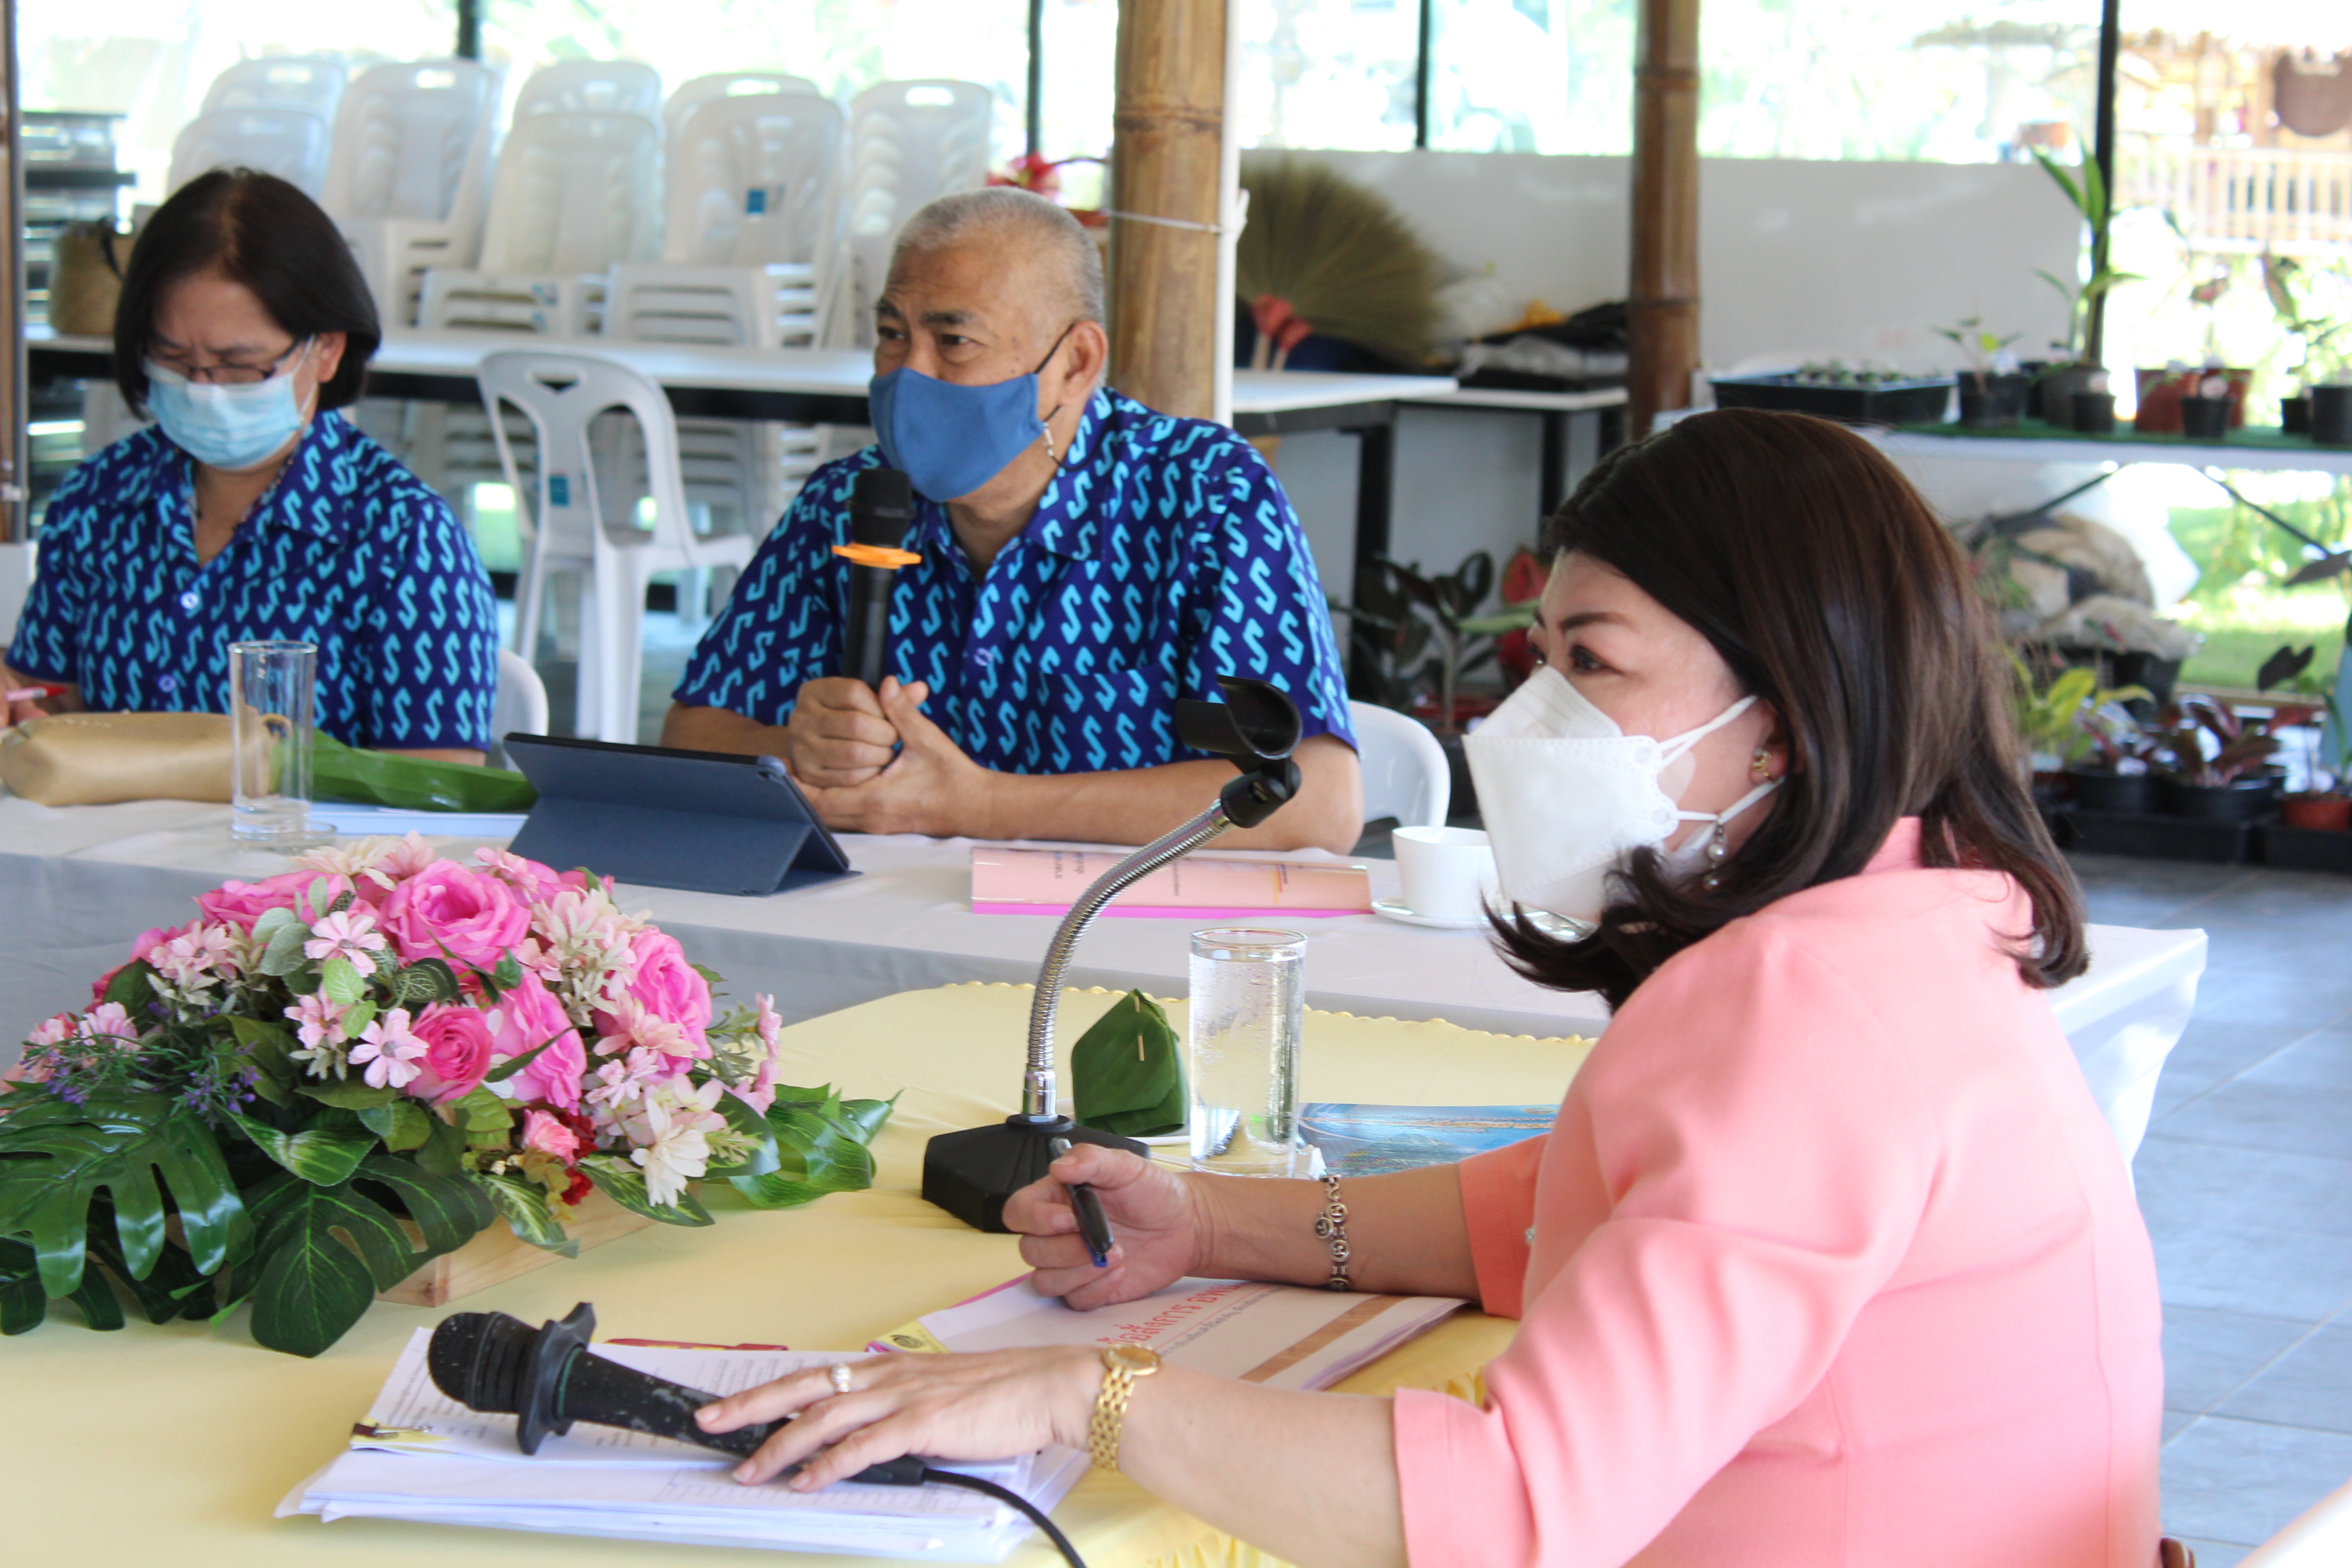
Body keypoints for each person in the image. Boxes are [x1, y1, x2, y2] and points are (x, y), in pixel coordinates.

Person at [691, 410, 2163, 1568]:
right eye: (1541, 661)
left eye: (1594, 665)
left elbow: (1520, 1508)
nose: (1530, 722)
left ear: (1780, 715)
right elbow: (1574, 1210)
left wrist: (1086, 1396)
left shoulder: (1807, 1009)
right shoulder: (1919, 920)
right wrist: (1205, 1222)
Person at [661, 189, 1361, 853]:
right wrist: (800, 747)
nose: (910, 374)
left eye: (955, 342)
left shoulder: (1203, 495)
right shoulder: (847, 503)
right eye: (891, 334)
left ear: (1075, 363)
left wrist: (981, 805)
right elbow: (690, 735)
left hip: (1124, 933)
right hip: (897, 923)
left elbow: (1320, 801)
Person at [3, 169, 498, 762]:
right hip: (105, 852)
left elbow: (437, 790)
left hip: (305, 854)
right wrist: (21, 708)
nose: (202, 386)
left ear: (326, 349)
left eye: (240, 365)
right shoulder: (100, 500)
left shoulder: (403, 539)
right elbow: (52, 703)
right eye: (172, 357)